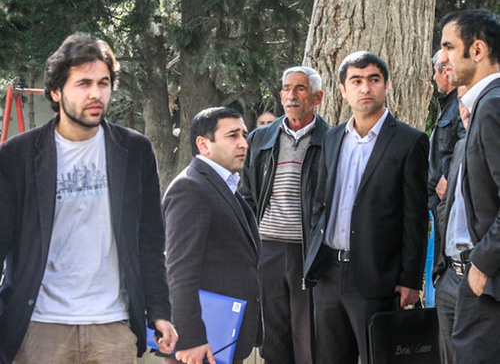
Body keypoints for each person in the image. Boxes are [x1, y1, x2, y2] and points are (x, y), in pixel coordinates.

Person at [0, 33, 177, 363]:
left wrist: (160, 311)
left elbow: (150, 240)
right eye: (83, 83)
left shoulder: (135, 151)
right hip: (39, 325)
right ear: (56, 91)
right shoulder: (17, 157)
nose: (96, 94)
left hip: (112, 326)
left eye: (103, 82)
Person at [304, 51, 429, 364]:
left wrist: (410, 279)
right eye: (356, 81)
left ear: (386, 85)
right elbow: (319, 203)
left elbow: (414, 217)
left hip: (378, 277)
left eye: (373, 80)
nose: (365, 88)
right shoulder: (331, 139)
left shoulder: (409, 141)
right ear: (343, 91)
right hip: (329, 274)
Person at [239, 66, 330, 364]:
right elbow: (247, 196)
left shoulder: (332, 140)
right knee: (273, 341)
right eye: (287, 88)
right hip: (268, 251)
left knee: (309, 342)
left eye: (300, 89)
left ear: (316, 96)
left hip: (310, 254)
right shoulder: (260, 138)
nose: (292, 95)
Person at [163, 107, 260, 364]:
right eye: (232, 136)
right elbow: (179, 271)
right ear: (203, 144)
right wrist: (190, 337)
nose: (243, 143)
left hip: (224, 339)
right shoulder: (191, 188)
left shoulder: (223, 186)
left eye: (244, 135)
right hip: (201, 345)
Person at [438, 9, 500, 363]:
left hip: (486, 285)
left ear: (477, 50)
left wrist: (482, 265)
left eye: (448, 46)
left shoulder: (493, 105)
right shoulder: (484, 106)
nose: (443, 57)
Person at [432, 85, 470, 364]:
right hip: (450, 277)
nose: (464, 108)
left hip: (483, 278)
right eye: (460, 101)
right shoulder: (460, 147)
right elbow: (445, 205)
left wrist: (482, 268)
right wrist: (441, 272)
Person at [428, 50, 465, 266]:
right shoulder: (449, 105)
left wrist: (448, 180)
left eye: (436, 72)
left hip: (448, 201)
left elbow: (465, 142)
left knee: (448, 265)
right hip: (439, 203)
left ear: (446, 72)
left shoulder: (460, 105)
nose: (434, 78)